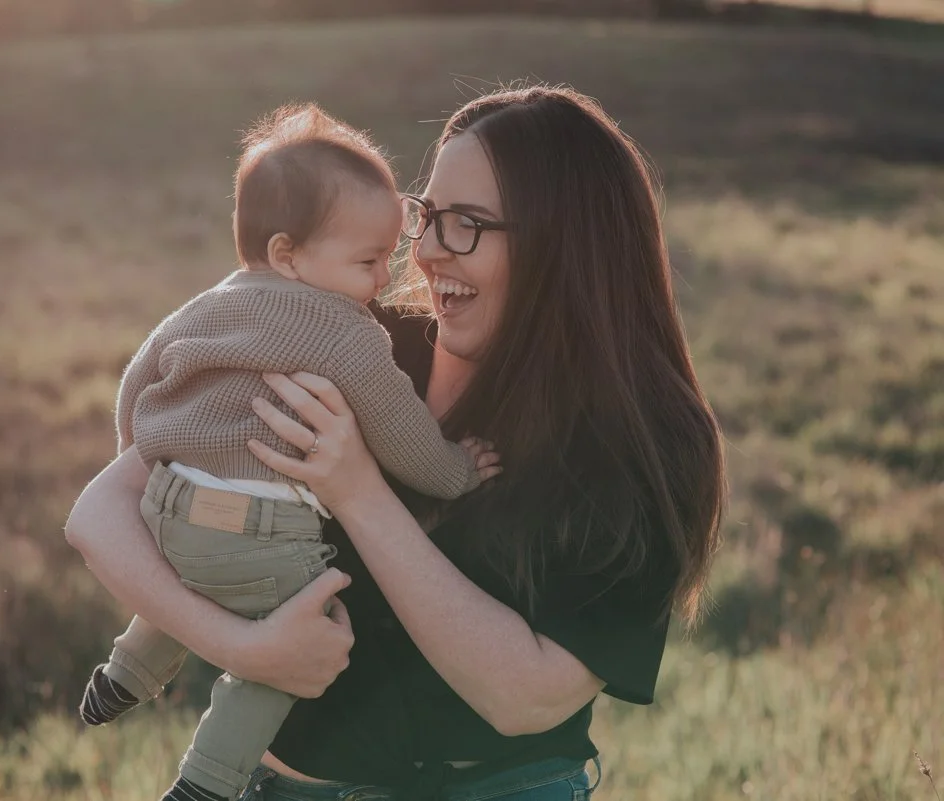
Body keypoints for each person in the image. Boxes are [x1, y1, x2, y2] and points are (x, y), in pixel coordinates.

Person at [66, 84, 726, 801]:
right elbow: (100, 513)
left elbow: (527, 697)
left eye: (467, 224)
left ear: (563, 242)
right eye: (429, 216)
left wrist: (358, 492)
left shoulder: (643, 445)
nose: (429, 252)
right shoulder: (348, 343)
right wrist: (242, 649)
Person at [76, 103, 497, 801]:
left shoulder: (210, 301)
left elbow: (139, 375)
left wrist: (141, 447)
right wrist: (458, 471)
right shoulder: (348, 333)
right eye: (367, 261)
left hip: (171, 505)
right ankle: (207, 781)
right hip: (264, 534)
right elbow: (401, 432)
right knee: (298, 643)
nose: (381, 280)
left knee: (193, 570)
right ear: (286, 254)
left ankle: (126, 672)